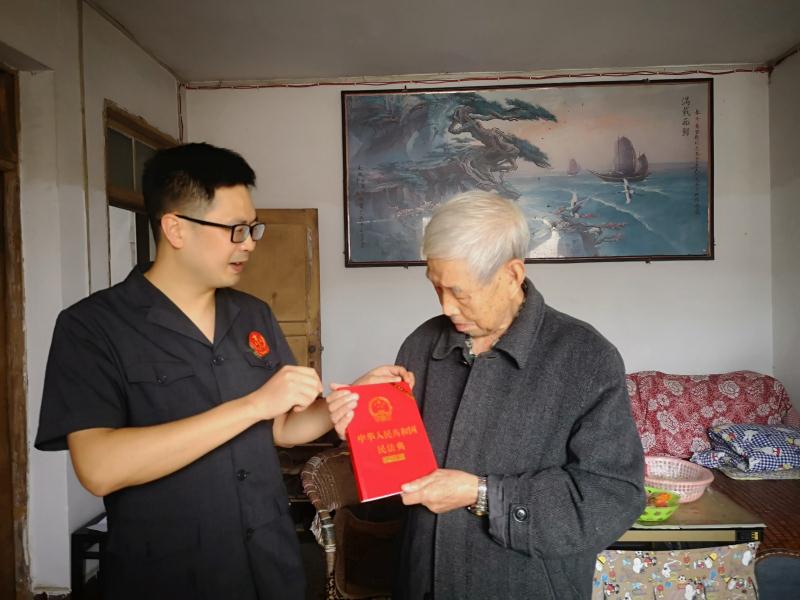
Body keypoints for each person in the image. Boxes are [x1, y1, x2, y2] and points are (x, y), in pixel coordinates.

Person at [35, 142, 407, 600]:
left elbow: (282, 428)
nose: (249, 242)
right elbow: (99, 468)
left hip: (270, 564)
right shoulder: (93, 327)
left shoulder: (253, 314)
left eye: (252, 228)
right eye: (235, 229)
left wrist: (346, 400)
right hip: (169, 574)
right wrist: (251, 406)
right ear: (175, 228)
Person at [329, 191, 645, 599]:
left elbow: (613, 495)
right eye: (436, 287)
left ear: (511, 275)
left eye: (459, 292)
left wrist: (481, 494)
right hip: (421, 582)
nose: (446, 307)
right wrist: (362, 433)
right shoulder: (422, 345)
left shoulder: (585, 357)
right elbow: (400, 480)